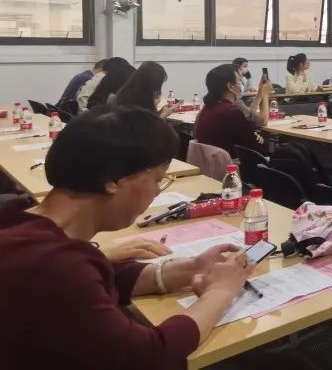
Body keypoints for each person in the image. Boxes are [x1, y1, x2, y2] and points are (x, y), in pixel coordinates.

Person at [0, 105, 255, 368]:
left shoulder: (20, 219)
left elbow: (96, 282)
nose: (156, 192)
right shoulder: (54, 265)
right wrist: (221, 292)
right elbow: (149, 356)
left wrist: (190, 268)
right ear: (115, 180)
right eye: (157, 180)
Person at [195, 64, 266, 154]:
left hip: (211, 159)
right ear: (230, 86)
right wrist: (258, 137)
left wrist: (252, 135)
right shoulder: (232, 113)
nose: (241, 84)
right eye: (239, 80)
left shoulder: (207, 108)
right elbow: (255, 146)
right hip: (231, 161)